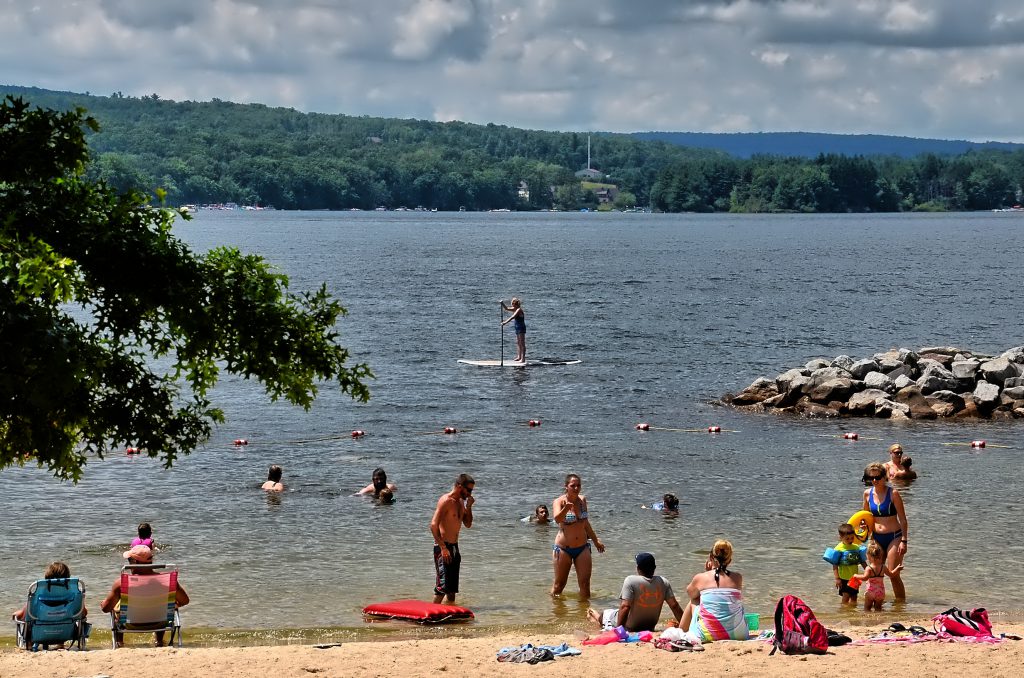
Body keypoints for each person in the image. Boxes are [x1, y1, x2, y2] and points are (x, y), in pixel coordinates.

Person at [100, 545, 188, 648]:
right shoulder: (167, 581)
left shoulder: (121, 584)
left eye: (129, 560)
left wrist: (103, 603)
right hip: (161, 623)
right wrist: (175, 604)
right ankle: (159, 641)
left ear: (134, 562)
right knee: (162, 606)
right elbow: (185, 600)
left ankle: (120, 643)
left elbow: (106, 609)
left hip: (130, 624)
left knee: (117, 609)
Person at [587, 552, 684, 632]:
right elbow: (674, 606)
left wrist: (620, 631)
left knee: (606, 614)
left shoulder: (631, 581)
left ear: (638, 568)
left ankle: (595, 616)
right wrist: (686, 624)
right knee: (614, 612)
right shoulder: (664, 582)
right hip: (649, 627)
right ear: (654, 568)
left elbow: (625, 606)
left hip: (630, 627)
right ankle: (594, 616)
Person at [681, 539, 749, 642]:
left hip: (707, 634)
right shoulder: (738, 578)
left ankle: (681, 632)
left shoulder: (701, 578)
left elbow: (690, 593)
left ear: (710, 557)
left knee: (694, 600)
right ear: (729, 560)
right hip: (739, 634)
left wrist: (706, 573)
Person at [551, 473, 606, 599]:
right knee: (559, 585)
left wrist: (596, 540)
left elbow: (585, 523)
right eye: (573, 485)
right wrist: (565, 509)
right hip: (564, 548)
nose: (576, 488)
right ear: (566, 486)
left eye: (578, 485)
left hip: (582, 547)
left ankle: (584, 614)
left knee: (585, 584)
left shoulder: (582, 500)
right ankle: (555, 613)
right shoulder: (559, 501)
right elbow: (557, 519)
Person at [862, 461, 909, 599]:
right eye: (871, 478)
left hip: (894, 536)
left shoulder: (893, 493)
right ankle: (877, 603)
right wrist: (864, 532)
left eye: (877, 477)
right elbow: (865, 518)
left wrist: (904, 541)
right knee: (875, 573)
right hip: (876, 537)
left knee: (893, 574)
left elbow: (903, 519)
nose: (874, 480)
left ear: (884, 477)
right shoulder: (866, 494)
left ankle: (901, 606)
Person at [430, 473, 475, 603]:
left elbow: (468, 524)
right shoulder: (446, 500)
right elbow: (433, 525)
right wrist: (443, 548)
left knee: (452, 589)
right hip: (443, 547)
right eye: (469, 490)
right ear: (460, 486)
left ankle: (450, 617)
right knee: (442, 587)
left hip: (454, 548)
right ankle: (431, 616)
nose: (470, 493)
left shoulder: (460, 502)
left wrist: (469, 507)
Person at [12, 561, 88, 622]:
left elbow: (24, 614)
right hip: (67, 631)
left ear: (47, 578)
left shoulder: (39, 595)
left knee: (27, 623)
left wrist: (15, 615)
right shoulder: (74, 595)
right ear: (67, 579)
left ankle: (29, 641)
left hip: (40, 632)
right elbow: (84, 613)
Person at [854, 540, 904, 611]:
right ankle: (878, 621)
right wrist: (897, 569)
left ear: (868, 556)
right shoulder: (883, 567)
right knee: (878, 609)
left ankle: (869, 620)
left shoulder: (869, 568)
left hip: (870, 592)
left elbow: (865, 578)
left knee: (867, 608)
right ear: (880, 556)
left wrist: (856, 576)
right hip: (880, 592)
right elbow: (891, 574)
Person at [831, 523, 863, 605]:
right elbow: (835, 565)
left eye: (852, 538)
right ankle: (843, 613)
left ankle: (852, 613)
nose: (850, 540)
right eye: (847, 538)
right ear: (841, 537)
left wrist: (868, 570)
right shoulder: (838, 549)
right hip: (844, 578)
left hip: (854, 577)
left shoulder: (856, 548)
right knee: (845, 597)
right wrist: (837, 578)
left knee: (854, 596)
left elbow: (862, 561)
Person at [500, 297, 526, 362]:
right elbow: (506, 308)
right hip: (517, 327)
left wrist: (505, 322)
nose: (511, 304)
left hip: (521, 327)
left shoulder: (519, 310)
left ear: (515, 304)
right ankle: (519, 357)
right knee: (518, 343)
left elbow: (512, 317)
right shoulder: (515, 309)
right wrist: (502, 303)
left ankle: (523, 359)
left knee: (522, 343)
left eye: (512, 303)